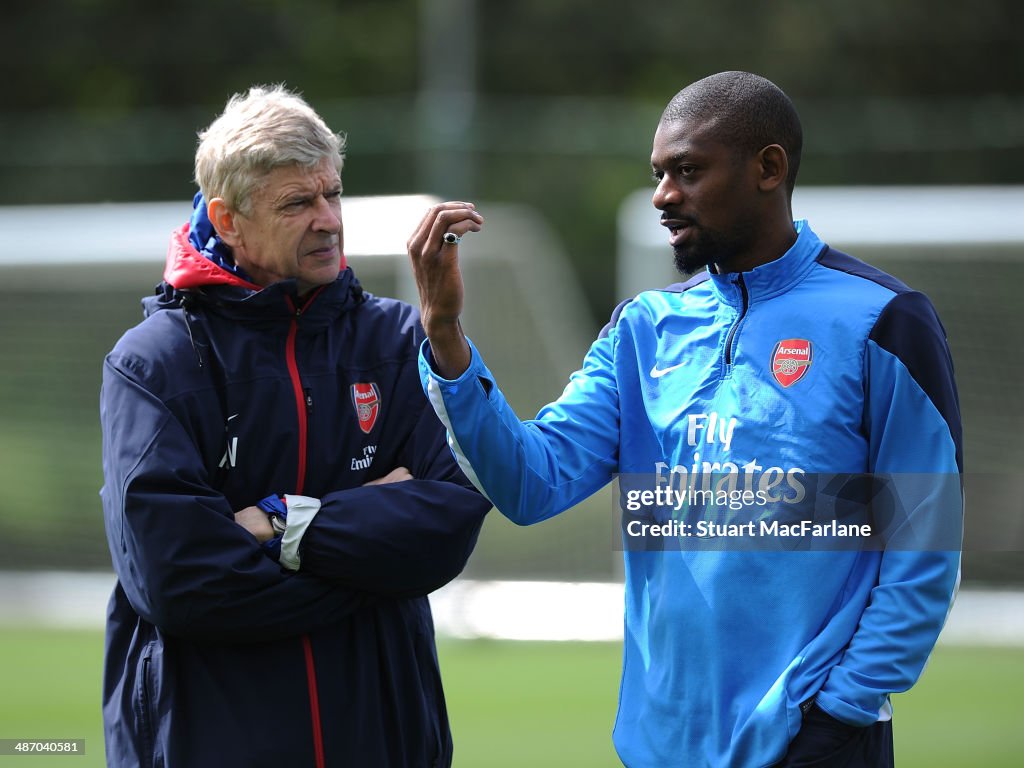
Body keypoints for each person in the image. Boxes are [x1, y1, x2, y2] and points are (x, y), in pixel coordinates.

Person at [407, 71, 962, 767]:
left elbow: (926, 546)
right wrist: (448, 337)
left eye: (689, 171)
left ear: (768, 167)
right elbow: (531, 483)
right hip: (663, 745)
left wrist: (840, 712)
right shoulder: (644, 330)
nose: (665, 196)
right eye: (659, 174)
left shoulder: (881, 320)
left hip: (818, 742)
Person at [100, 85, 491, 768]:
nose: (328, 220)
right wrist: (368, 558)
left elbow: (449, 520)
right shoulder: (154, 363)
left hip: (383, 742)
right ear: (227, 220)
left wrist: (276, 522)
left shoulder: (399, 341)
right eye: (297, 203)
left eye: (332, 194)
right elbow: (180, 582)